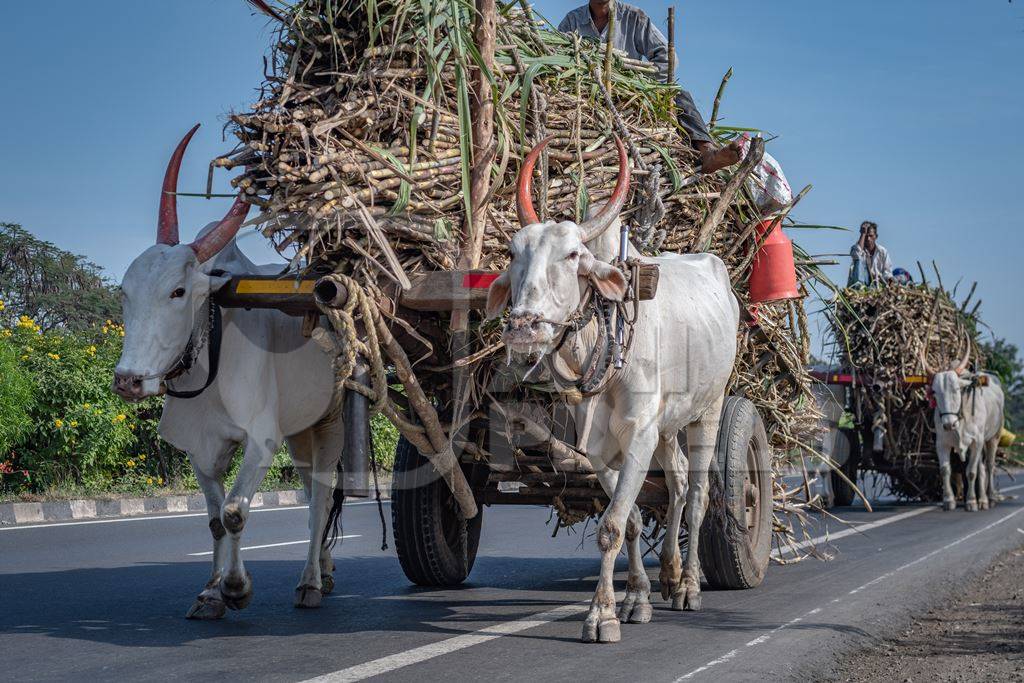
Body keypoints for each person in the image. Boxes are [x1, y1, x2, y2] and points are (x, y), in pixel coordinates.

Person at [558, 0, 741, 173]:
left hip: (628, 93)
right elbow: (557, 61)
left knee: (678, 95)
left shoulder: (633, 17)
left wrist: (634, 80)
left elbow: (668, 59)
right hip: (586, 96)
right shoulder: (572, 22)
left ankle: (707, 151)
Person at [848, 220, 893, 287]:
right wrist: (863, 233)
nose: (868, 239)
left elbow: (887, 273)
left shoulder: (882, 252)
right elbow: (857, 255)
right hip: (860, 284)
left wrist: (880, 278)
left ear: (876, 236)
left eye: (871, 236)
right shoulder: (857, 249)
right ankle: (860, 288)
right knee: (859, 260)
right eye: (866, 236)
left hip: (877, 285)